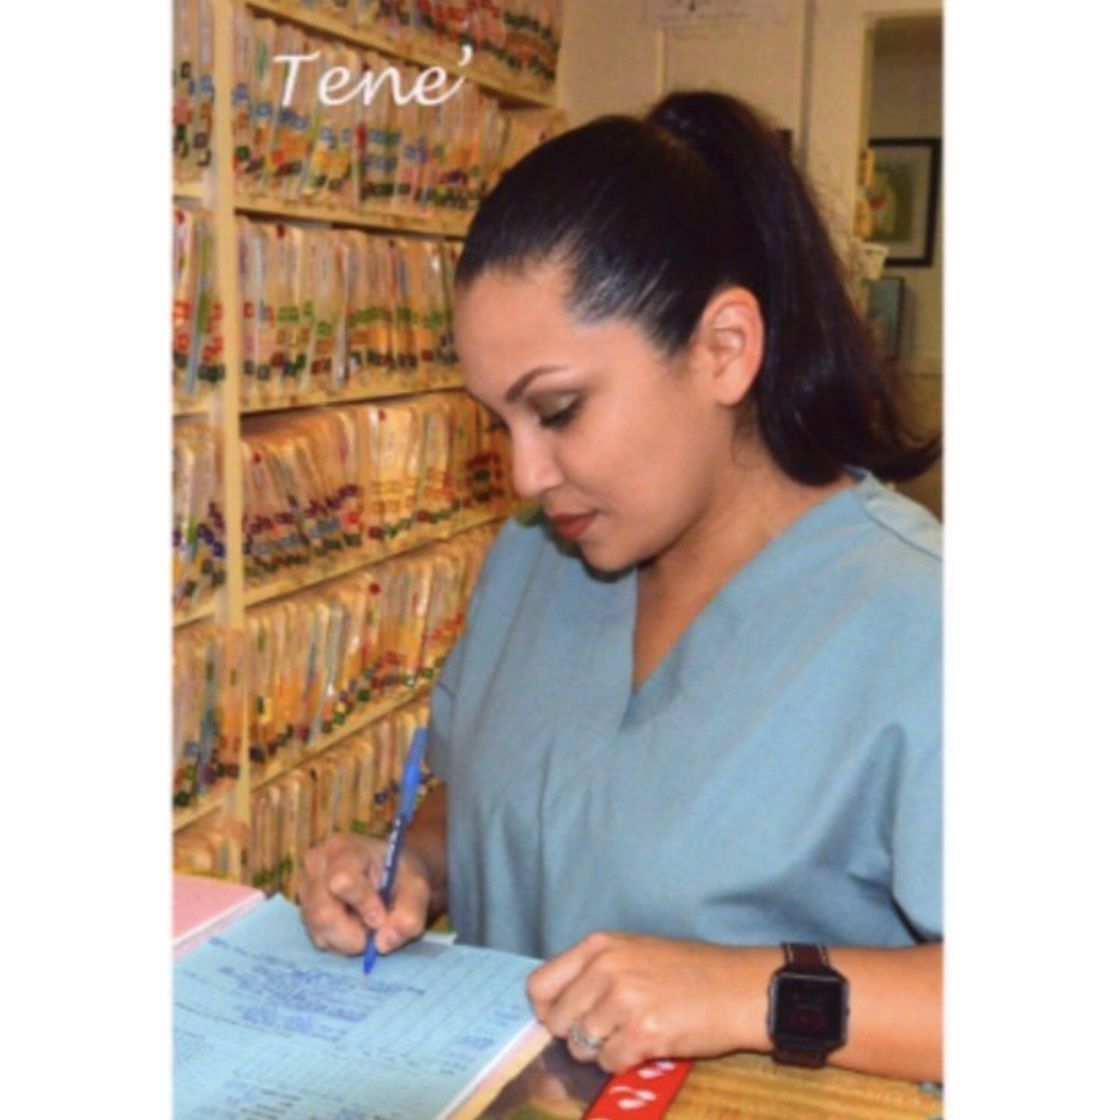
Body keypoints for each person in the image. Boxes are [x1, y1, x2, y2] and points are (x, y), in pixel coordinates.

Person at [299, 91, 942, 1083]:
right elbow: (506, 808)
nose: (524, 475)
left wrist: (744, 991)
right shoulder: (533, 562)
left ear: (724, 349)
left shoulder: (920, 618)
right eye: (498, 421)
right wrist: (408, 867)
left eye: (557, 409)